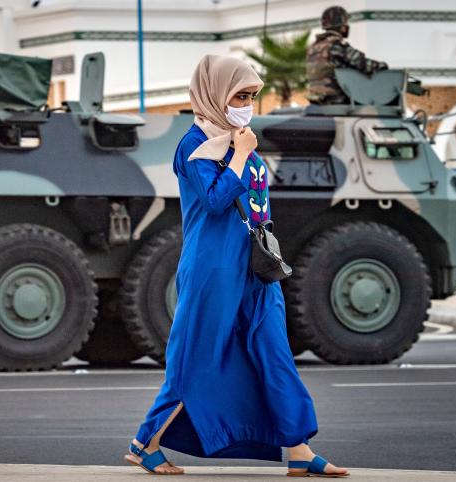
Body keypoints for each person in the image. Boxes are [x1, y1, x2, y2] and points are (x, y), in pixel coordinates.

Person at [124, 54, 349, 478]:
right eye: (239, 95)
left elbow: (257, 203)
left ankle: (299, 451)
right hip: (214, 270)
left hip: (257, 268)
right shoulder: (193, 144)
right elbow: (213, 200)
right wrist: (242, 155)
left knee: (274, 352)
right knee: (197, 357)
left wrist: (242, 152)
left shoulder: (237, 138)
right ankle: (145, 442)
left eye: (251, 96)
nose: (246, 104)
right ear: (214, 94)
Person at [307, 5, 388, 105]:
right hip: (337, 100)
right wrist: (383, 66)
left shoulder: (313, 47)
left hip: (318, 101)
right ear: (342, 26)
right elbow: (363, 63)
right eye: (345, 23)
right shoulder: (336, 46)